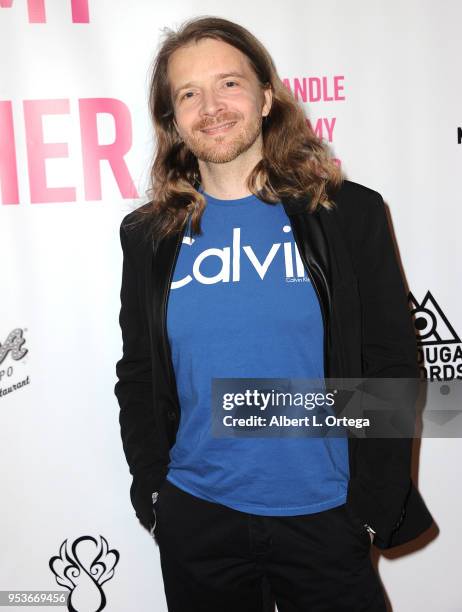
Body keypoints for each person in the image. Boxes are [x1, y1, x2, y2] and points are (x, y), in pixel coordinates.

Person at [114, 15, 434, 612]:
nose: (210, 106)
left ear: (266, 97)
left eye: (228, 84)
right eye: (188, 93)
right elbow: (138, 372)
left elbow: (392, 360)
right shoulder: (147, 235)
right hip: (198, 519)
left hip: (327, 516)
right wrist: (155, 492)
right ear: (173, 120)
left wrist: (370, 503)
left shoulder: (347, 214)